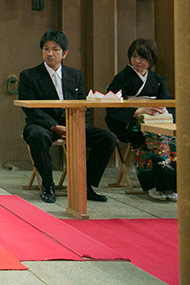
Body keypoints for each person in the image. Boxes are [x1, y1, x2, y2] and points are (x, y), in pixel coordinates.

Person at [18, 30, 116, 204]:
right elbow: (31, 109)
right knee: (36, 136)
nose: (50, 53)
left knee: (108, 138)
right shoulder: (29, 75)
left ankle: (86, 186)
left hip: (71, 124)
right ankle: (48, 186)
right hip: (43, 125)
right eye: (46, 49)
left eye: (55, 49)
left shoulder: (75, 75)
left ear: (65, 53)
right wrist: (54, 126)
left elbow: (82, 104)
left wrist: (75, 125)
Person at [105, 39, 177, 201]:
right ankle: (154, 185)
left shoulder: (156, 79)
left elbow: (167, 101)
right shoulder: (122, 78)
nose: (137, 61)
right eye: (134, 56)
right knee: (147, 138)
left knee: (169, 138)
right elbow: (111, 106)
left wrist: (164, 109)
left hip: (153, 122)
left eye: (142, 57)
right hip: (130, 122)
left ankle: (169, 186)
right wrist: (138, 111)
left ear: (151, 60)